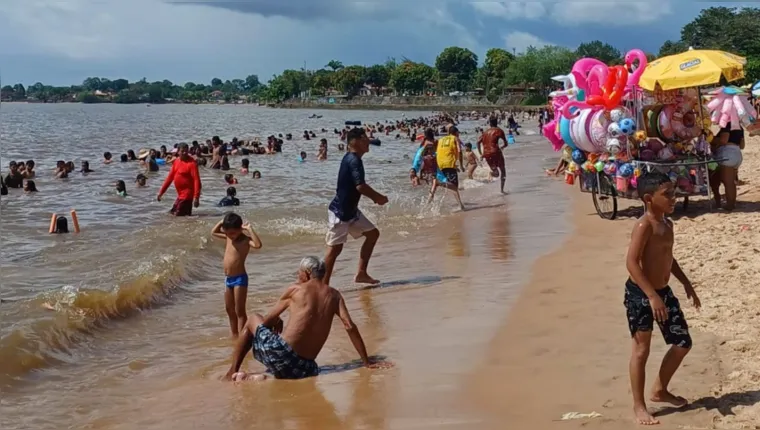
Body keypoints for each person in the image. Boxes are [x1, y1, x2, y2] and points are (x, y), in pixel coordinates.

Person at [223, 256, 385, 381]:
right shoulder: (335, 295)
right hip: (305, 368)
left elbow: (264, 323)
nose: (297, 274)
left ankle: (233, 370)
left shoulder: (295, 289)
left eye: (299, 271)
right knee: (287, 365)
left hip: (281, 355)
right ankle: (260, 378)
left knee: (252, 318)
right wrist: (366, 362)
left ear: (307, 273)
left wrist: (276, 319)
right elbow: (349, 326)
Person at [624, 172, 701, 425]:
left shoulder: (668, 224)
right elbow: (632, 263)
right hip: (641, 294)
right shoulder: (644, 225)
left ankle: (659, 390)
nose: (673, 198)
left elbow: (668, 257)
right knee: (641, 350)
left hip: (663, 292)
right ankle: (639, 405)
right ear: (649, 198)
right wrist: (651, 296)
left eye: (674, 192)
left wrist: (686, 282)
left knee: (682, 342)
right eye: (667, 194)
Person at [324, 128, 388, 285]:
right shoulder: (353, 160)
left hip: (351, 212)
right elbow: (360, 186)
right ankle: (321, 286)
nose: (369, 142)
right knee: (334, 250)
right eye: (365, 139)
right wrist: (377, 198)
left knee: (373, 234)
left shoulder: (353, 158)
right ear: (356, 142)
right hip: (340, 213)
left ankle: (361, 273)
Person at [211, 212, 262, 337]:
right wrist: (222, 221)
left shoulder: (245, 240)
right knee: (229, 310)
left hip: (240, 279)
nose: (231, 236)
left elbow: (258, 245)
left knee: (240, 311)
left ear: (240, 229)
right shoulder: (228, 237)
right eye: (228, 233)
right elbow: (213, 232)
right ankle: (234, 334)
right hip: (228, 279)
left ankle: (242, 336)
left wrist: (250, 229)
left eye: (233, 233)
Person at [157, 143, 202, 216]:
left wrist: (196, 197)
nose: (184, 153)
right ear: (178, 151)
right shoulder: (176, 161)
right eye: (182, 151)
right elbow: (169, 178)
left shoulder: (192, 164)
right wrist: (161, 192)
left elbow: (197, 181)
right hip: (180, 195)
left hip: (187, 195)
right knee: (172, 214)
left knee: (178, 216)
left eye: (186, 151)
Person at [711, 123, 744, 211]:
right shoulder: (739, 127)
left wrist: (713, 140)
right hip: (737, 153)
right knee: (731, 182)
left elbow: (724, 140)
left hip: (727, 154)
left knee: (728, 183)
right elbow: (742, 145)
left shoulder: (727, 125)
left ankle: (730, 204)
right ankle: (732, 203)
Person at [431, 126, 465, 210]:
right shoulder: (455, 138)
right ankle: (439, 183)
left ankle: (461, 205)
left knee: (453, 186)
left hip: (440, 163)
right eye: (458, 133)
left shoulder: (441, 139)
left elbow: (442, 152)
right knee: (454, 186)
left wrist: (454, 166)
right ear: (456, 133)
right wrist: (461, 165)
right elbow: (460, 151)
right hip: (448, 163)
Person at [477, 116, 508, 193]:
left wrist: (481, 153)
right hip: (496, 152)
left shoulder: (485, 132)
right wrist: (502, 147)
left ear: (489, 123)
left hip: (486, 154)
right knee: (503, 171)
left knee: (496, 173)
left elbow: (478, 142)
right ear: (497, 122)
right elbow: (505, 143)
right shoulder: (499, 130)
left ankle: (490, 173)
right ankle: (502, 190)